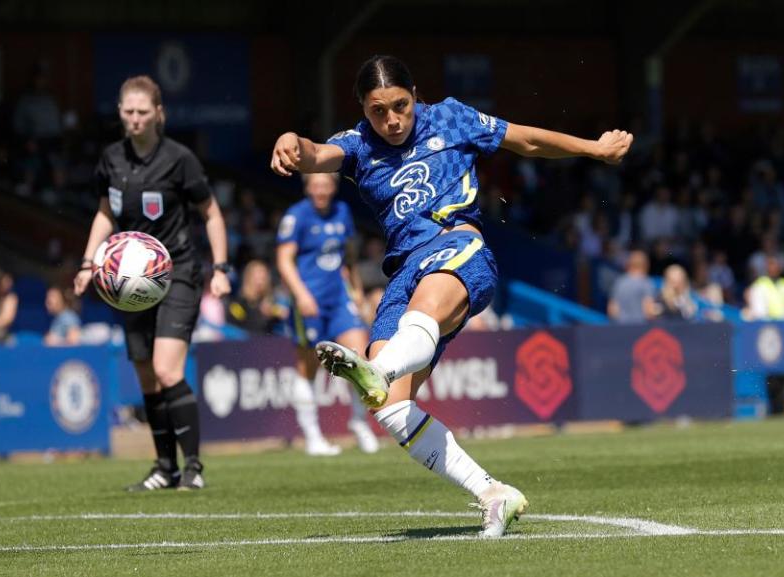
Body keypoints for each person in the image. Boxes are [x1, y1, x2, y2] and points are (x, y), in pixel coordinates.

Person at [270, 55, 632, 537]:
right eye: (379, 111)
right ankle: (493, 493)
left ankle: (378, 367)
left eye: (401, 105)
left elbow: (524, 139)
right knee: (390, 408)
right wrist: (289, 141)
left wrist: (593, 149)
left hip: (458, 246)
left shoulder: (452, 118)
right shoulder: (357, 146)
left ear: (415, 94)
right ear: (363, 108)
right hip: (402, 271)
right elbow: (314, 155)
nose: (393, 119)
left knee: (402, 344)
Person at [74, 75, 230, 491]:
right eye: (129, 112)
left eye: (143, 112)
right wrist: (89, 262)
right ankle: (165, 468)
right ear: (120, 113)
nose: (136, 119)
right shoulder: (111, 158)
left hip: (177, 272)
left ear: (159, 113)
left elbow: (211, 213)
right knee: (145, 376)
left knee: (166, 368)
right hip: (127, 282)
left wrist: (222, 268)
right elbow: (106, 213)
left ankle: (193, 467)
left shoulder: (180, 159)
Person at [276, 172, 380, 456]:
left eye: (326, 185)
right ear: (308, 187)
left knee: (359, 357)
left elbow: (349, 256)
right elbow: (284, 261)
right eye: (316, 185)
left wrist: (356, 290)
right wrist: (301, 295)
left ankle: (359, 423)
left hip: (338, 298)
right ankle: (313, 437)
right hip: (308, 301)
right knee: (307, 368)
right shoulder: (296, 216)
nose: (321, 190)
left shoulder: (342, 212)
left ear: (333, 187)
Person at [224, 259, 284, 334]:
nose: (260, 282)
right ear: (248, 278)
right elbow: (241, 328)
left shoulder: (270, 302)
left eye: (263, 278)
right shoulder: (237, 304)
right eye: (257, 278)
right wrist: (261, 315)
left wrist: (277, 316)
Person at [608, 250, 659, 324]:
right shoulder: (646, 283)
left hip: (621, 328)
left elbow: (612, 310)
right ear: (646, 265)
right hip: (641, 329)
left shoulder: (620, 282)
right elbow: (649, 311)